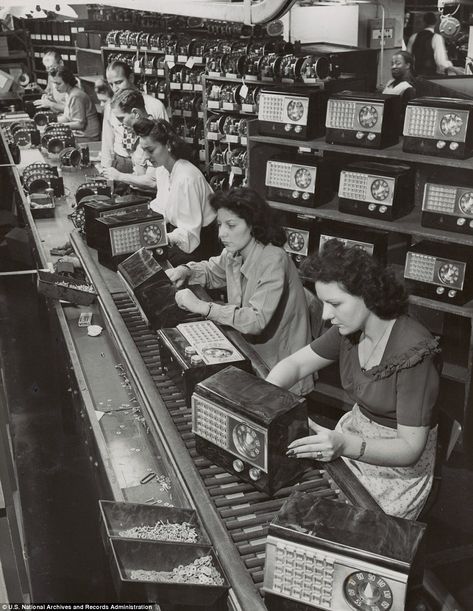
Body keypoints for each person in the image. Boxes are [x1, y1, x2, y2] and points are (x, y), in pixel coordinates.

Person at [266, 240, 441, 519]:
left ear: (369, 295)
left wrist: (344, 444)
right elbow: (296, 365)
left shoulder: (414, 351)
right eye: (323, 303)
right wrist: (263, 398)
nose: (325, 315)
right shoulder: (348, 330)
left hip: (395, 468)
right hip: (350, 436)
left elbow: (410, 449)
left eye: (334, 303)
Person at [166, 187, 314, 396]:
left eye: (231, 225)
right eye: (219, 225)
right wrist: (186, 270)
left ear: (253, 224)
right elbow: (213, 271)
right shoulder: (236, 251)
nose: (221, 233)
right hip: (250, 350)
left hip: (278, 367)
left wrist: (202, 307)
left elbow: (255, 321)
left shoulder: (273, 259)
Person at [134, 117, 217, 264]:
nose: (146, 157)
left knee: (148, 263)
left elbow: (190, 235)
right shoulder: (163, 170)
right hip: (181, 239)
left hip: (200, 248)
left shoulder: (186, 177)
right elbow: (160, 208)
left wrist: (160, 239)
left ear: (168, 145)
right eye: (144, 151)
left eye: (150, 150)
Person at [100, 60, 168, 173]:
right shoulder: (111, 107)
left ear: (131, 78)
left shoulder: (155, 106)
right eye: (111, 84)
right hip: (121, 163)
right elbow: (107, 140)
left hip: (147, 165)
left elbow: (165, 143)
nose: (115, 89)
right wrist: (106, 169)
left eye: (119, 82)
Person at [100, 88, 156, 192]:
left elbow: (153, 182)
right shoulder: (139, 134)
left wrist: (120, 176)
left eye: (121, 118)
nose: (121, 124)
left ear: (136, 113)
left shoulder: (154, 136)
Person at [50, 66, 100, 142]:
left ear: (68, 82)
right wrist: (50, 122)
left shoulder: (76, 96)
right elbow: (67, 117)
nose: (56, 87)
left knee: (53, 140)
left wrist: (57, 126)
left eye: (58, 84)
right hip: (79, 134)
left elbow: (80, 124)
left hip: (87, 137)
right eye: (54, 83)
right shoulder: (68, 93)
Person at [407, 12, 464, 76]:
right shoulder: (437, 37)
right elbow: (441, 62)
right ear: (436, 23)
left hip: (416, 75)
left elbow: (408, 57)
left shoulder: (413, 37)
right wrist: (454, 69)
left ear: (424, 22)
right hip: (432, 77)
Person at [382, 51, 417, 119]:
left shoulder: (408, 88)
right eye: (392, 64)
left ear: (407, 65)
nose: (394, 67)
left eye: (398, 63)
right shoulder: (390, 83)